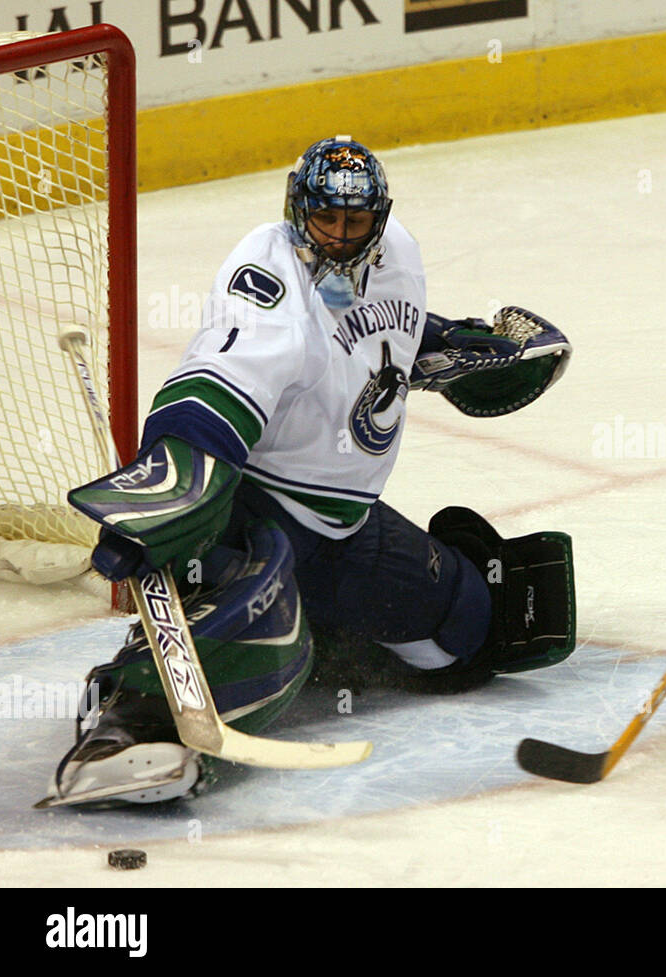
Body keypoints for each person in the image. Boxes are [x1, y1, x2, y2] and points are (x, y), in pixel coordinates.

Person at [42, 135, 576, 807]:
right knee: (265, 636)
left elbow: (383, 328)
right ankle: (126, 714)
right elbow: (217, 391)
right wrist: (172, 490)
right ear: (298, 211)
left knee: (468, 634)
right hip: (258, 513)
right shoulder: (265, 283)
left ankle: (331, 638)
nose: (342, 239)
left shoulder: (397, 253)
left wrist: (448, 344)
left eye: (357, 223)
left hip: (346, 527)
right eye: (328, 220)